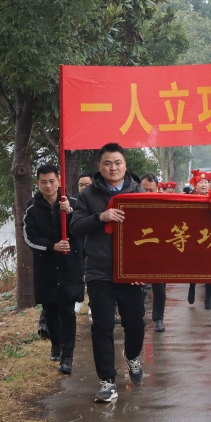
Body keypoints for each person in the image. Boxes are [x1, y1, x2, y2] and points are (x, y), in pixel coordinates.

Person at [71, 143, 147, 403]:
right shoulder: (88, 195)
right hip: (99, 271)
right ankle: (107, 381)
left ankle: (132, 356)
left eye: (117, 162)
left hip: (130, 273)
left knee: (135, 324)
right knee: (102, 326)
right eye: (107, 163)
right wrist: (100, 217)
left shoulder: (138, 193)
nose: (113, 168)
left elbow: (152, 231)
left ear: (125, 165)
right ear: (99, 166)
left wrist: (143, 268)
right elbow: (75, 227)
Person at [23, 165, 84, 375]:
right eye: (43, 182)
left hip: (70, 266)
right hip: (46, 268)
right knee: (50, 309)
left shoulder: (72, 203)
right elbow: (29, 238)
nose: (48, 186)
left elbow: (84, 230)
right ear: (38, 183)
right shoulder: (32, 208)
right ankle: (56, 344)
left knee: (67, 310)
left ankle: (67, 356)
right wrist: (52, 246)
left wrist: (71, 214)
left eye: (51, 181)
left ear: (59, 181)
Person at [141, 172, 167, 332]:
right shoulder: (131, 203)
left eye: (151, 190)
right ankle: (138, 317)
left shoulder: (165, 205)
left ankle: (158, 318)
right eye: (145, 189)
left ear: (158, 189)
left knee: (160, 289)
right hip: (139, 251)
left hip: (159, 253)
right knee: (137, 288)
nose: (148, 193)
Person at [187, 171, 211, 310]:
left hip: (210, 238)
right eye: (200, 182)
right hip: (195, 238)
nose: (203, 184)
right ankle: (192, 286)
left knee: (210, 269)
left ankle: (208, 298)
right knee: (194, 267)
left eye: (206, 182)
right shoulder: (190, 199)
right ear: (195, 185)